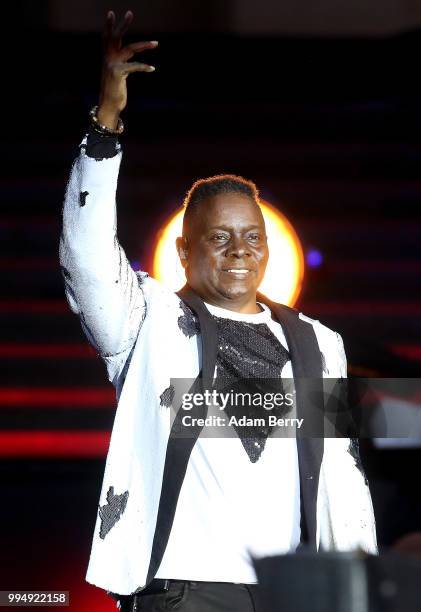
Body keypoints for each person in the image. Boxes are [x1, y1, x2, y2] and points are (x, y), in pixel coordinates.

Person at [59, 9, 377, 612]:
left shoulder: (315, 342)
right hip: (187, 592)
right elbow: (86, 256)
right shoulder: (146, 321)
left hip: (292, 594)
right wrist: (105, 128)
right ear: (184, 248)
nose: (239, 251)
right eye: (219, 236)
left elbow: (342, 476)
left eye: (251, 236)